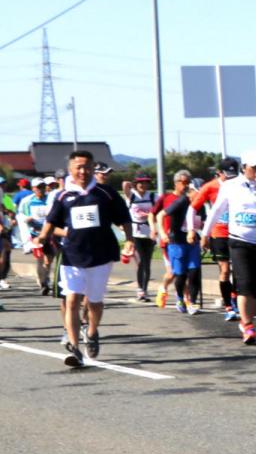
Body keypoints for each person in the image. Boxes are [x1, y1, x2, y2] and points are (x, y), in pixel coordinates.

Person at [37, 150, 135, 366]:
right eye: (78, 167)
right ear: (71, 170)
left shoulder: (105, 193)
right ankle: (74, 347)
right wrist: (42, 238)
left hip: (101, 255)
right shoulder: (63, 196)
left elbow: (124, 218)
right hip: (72, 255)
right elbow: (51, 222)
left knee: (95, 303)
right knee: (72, 299)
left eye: (87, 166)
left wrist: (129, 239)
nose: (83, 171)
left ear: (92, 168)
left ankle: (91, 332)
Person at [201, 152, 256, 345]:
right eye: (255, 167)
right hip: (239, 241)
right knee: (245, 284)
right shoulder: (230, 186)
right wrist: (205, 234)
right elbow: (216, 210)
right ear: (244, 168)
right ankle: (247, 324)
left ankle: (249, 318)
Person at [192, 157, 240, 320]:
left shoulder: (240, 184)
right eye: (227, 175)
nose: (231, 178)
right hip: (218, 233)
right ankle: (229, 306)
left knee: (240, 271)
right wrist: (194, 231)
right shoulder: (210, 187)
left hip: (237, 232)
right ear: (219, 173)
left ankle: (235, 299)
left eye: (234, 175)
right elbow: (193, 208)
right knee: (225, 270)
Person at [163, 171, 204, 314]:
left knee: (194, 272)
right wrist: (162, 233)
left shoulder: (201, 205)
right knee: (180, 275)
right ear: (191, 191)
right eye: (198, 193)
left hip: (193, 244)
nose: (201, 197)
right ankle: (180, 297)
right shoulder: (181, 201)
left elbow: (203, 222)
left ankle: (192, 302)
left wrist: (206, 236)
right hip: (177, 242)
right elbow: (161, 214)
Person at [124, 175, 158, 301]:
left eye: (145, 183)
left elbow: (160, 211)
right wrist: (132, 186)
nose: (143, 185)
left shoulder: (153, 196)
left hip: (149, 233)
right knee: (140, 262)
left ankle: (145, 289)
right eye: (140, 183)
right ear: (135, 184)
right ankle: (140, 289)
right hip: (136, 233)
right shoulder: (131, 196)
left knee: (147, 263)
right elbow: (125, 184)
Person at [17, 178, 53, 294]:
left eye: (43, 186)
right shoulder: (27, 201)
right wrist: (26, 219)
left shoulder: (49, 199)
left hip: (48, 233)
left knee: (49, 259)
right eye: (38, 187)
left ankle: (45, 278)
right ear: (33, 189)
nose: (41, 189)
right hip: (34, 234)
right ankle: (43, 283)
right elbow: (20, 215)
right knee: (39, 259)